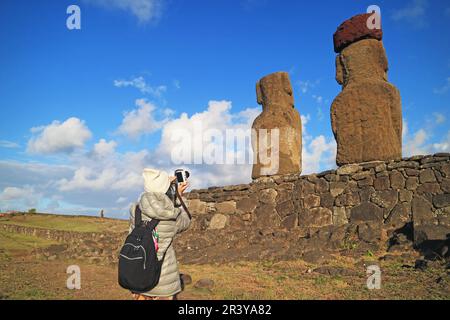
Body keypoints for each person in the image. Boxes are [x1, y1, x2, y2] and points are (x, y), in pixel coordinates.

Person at [129, 168, 191, 300]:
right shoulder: (171, 214)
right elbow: (185, 222)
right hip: (163, 276)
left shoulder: (136, 210)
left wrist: (160, 185)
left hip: (140, 271)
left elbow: (152, 204)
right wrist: (180, 197)